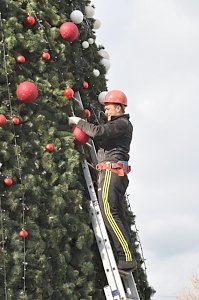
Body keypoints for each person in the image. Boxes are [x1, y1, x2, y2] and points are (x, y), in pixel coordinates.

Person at [69, 90, 137, 272]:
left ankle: (126, 258)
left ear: (118, 107)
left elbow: (97, 132)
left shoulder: (122, 124)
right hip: (114, 172)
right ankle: (127, 256)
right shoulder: (118, 125)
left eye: (108, 108)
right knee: (117, 214)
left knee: (109, 213)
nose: (106, 112)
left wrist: (78, 122)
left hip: (111, 173)